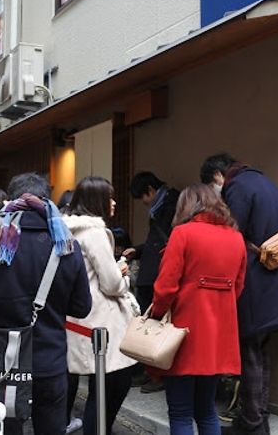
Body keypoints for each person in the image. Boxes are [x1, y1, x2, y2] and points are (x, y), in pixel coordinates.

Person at [0, 172, 92, 435]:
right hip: (50, 361)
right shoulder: (67, 247)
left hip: (0, 363)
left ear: (9, 202)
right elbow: (81, 307)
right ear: (48, 203)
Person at [147, 183, 246, 435]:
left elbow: (165, 287)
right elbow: (238, 286)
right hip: (218, 336)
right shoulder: (236, 238)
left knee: (180, 412)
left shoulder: (183, 234)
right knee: (206, 409)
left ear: (186, 206)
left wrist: (155, 316)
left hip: (183, 333)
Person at [221, 159, 278, 435]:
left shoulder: (238, 188)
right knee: (262, 351)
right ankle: (259, 418)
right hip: (273, 277)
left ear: (221, 175)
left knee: (249, 351)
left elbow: (231, 234)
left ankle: (252, 423)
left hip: (251, 279)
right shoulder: (270, 185)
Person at [63, 176, 137, 435]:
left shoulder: (66, 230)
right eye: (110, 197)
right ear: (98, 201)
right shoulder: (94, 233)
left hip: (76, 320)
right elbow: (111, 284)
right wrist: (123, 272)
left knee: (98, 388)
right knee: (109, 389)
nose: (114, 202)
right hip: (101, 323)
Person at [122, 171, 179, 393]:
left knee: (158, 326)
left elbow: (166, 242)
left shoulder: (171, 204)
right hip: (151, 272)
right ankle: (149, 372)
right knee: (148, 324)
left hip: (160, 274)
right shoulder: (161, 206)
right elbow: (154, 242)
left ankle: (159, 375)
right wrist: (137, 249)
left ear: (151, 190)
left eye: (143, 197)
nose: (144, 203)